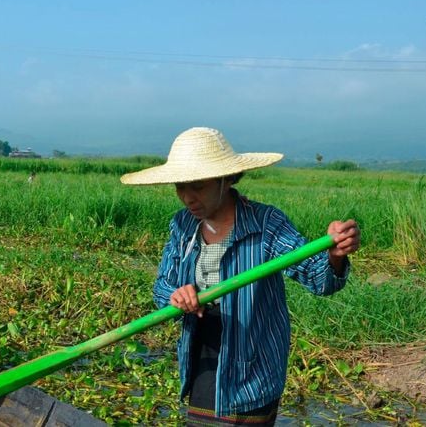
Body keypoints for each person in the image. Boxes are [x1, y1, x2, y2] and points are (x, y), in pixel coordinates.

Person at [120, 127, 360, 425]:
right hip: (203, 354)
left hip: (253, 360)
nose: (187, 198)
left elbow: (318, 279)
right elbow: (162, 287)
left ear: (226, 179)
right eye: (180, 186)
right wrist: (175, 295)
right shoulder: (183, 225)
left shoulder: (265, 224)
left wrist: (335, 255)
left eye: (198, 186)